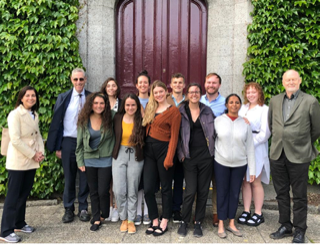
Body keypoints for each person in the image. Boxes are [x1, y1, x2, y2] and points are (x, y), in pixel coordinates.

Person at [268, 69, 320, 243]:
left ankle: (300, 229)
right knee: (281, 193)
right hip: (277, 153)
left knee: (299, 195)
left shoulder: (310, 101)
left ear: (300, 81)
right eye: (287, 80)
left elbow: (316, 129)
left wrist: (302, 142)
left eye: (293, 79)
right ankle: (285, 225)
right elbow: (271, 124)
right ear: (283, 82)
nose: (290, 82)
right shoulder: (275, 101)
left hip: (299, 155)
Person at [0, 86, 45, 243]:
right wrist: (33, 154)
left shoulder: (34, 114)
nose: (31, 98)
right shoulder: (14, 114)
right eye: (28, 96)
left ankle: (19, 223)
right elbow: (16, 139)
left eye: (33, 96)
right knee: (12, 196)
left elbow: (38, 135)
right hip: (18, 161)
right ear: (21, 98)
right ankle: (5, 230)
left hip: (31, 161)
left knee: (23, 194)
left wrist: (41, 152)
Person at [47, 68, 90, 223]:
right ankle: (69, 209)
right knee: (69, 177)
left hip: (86, 143)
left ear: (85, 80)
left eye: (81, 79)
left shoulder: (91, 97)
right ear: (71, 80)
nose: (78, 82)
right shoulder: (64, 97)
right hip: (68, 141)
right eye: (75, 79)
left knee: (85, 177)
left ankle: (83, 208)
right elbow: (57, 122)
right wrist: (58, 146)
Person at [142, 80, 181, 236]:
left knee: (165, 188)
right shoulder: (150, 108)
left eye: (160, 91)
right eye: (155, 92)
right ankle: (154, 219)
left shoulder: (174, 112)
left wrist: (169, 157)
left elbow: (174, 137)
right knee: (148, 188)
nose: (158, 94)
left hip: (164, 150)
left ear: (166, 91)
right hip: (149, 151)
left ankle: (164, 219)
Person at [214, 93, 255, 239]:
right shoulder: (218, 121)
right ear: (226, 105)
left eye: (237, 102)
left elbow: (250, 147)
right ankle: (220, 223)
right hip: (221, 163)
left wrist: (252, 169)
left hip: (240, 164)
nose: (234, 105)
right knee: (222, 192)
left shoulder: (245, 123)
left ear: (240, 105)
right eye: (231, 102)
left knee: (234, 193)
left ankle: (231, 223)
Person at [176, 83, 215, 238]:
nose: (194, 94)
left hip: (206, 157)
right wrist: (181, 154)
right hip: (189, 157)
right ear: (188, 93)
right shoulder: (180, 111)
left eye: (197, 92)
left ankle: (198, 222)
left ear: (200, 93)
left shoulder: (207, 110)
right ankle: (184, 221)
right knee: (190, 191)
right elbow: (177, 135)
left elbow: (215, 131)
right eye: (191, 92)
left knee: (203, 190)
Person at [75, 92, 115, 232]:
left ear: (106, 105)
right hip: (89, 159)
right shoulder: (84, 119)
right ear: (91, 104)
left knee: (103, 190)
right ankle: (97, 217)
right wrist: (80, 161)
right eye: (96, 103)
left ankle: (104, 212)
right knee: (93, 191)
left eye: (102, 103)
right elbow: (79, 143)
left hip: (106, 159)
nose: (99, 106)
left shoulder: (112, 116)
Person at [237, 82, 271, 226]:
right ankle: (246, 210)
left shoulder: (265, 109)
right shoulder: (242, 108)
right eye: (248, 92)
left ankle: (258, 213)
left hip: (256, 148)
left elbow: (265, 133)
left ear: (259, 93)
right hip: (242, 149)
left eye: (253, 92)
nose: (250, 95)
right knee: (245, 181)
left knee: (255, 181)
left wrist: (250, 144)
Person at [112, 93, 145, 234]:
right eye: (127, 105)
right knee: (118, 190)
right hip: (119, 154)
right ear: (123, 105)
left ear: (137, 106)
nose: (130, 107)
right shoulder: (117, 118)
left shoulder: (141, 119)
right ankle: (123, 217)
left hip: (136, 155)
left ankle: (131, 220)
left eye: (133, 105)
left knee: (132, 189)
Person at [199, 72, 226, 227]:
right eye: (208, 82)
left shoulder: (225, 103)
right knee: (200, 183)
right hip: (200, 149)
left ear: (219, 85)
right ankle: (199, 212)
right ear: (205, 84)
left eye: (214, 83)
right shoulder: (197, 99)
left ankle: (216, 213)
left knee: (218, 183)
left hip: (218, 148)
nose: (211, 85)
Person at [100, 77, 122, 222]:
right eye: (109, 86)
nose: (111, 88)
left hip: (118, 143)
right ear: (105, 88)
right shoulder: (101, 103)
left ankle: (116, 208)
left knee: (116, 180)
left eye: (113, 85)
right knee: (106, 179)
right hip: (105, 144)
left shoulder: (121, 103)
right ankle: (107, 207)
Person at [166, 73, 186, 223]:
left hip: (183, 146)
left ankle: (176, 209)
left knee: (179, 180)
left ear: (184, 85)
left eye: (180, 82)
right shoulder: (164, 99)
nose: (178, 85)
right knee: (166, 180)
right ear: (170, 85)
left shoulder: (189, 100)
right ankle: (166, 210)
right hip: (166, 145)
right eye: (175, 82)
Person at [134, 70, 151, 226]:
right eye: (140, 82)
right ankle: (138, 211)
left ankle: (147, 211)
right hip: (137, 145)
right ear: (136, 85)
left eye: (145, 82)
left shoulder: (155, 100)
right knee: (138, 179)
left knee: (148, 179)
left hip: (152, 145)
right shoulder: (132, 101)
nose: (143, 85)